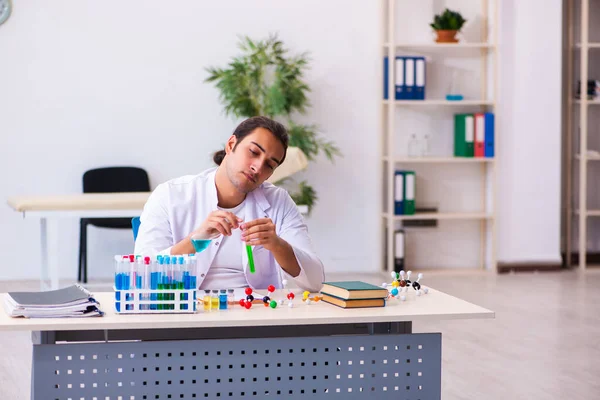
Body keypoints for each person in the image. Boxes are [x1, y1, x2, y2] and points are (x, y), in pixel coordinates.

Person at [134, 116, 324, 292]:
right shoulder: (170, 195)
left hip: (255, 316)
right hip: (187, 312)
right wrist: (193, 241)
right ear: (231, 144)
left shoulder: (279, 202)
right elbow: (141, 278)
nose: (257, 167)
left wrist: (276, 244)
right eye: (253, 152)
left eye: (269, 165)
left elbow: (315, 282)